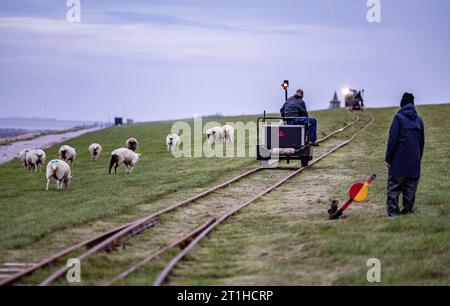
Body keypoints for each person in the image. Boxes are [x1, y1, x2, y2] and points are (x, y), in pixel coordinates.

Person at [385, 93, 425, 217]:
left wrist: (388, 159)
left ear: (402, 104)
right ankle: (407, 212)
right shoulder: (419, 120)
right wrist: (418, 159)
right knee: (410, 190)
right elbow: (422, 143)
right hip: (414, 164)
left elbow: (393, 140)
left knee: (394, 189)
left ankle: (393, 214)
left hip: (398, 163)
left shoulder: (398, 118)